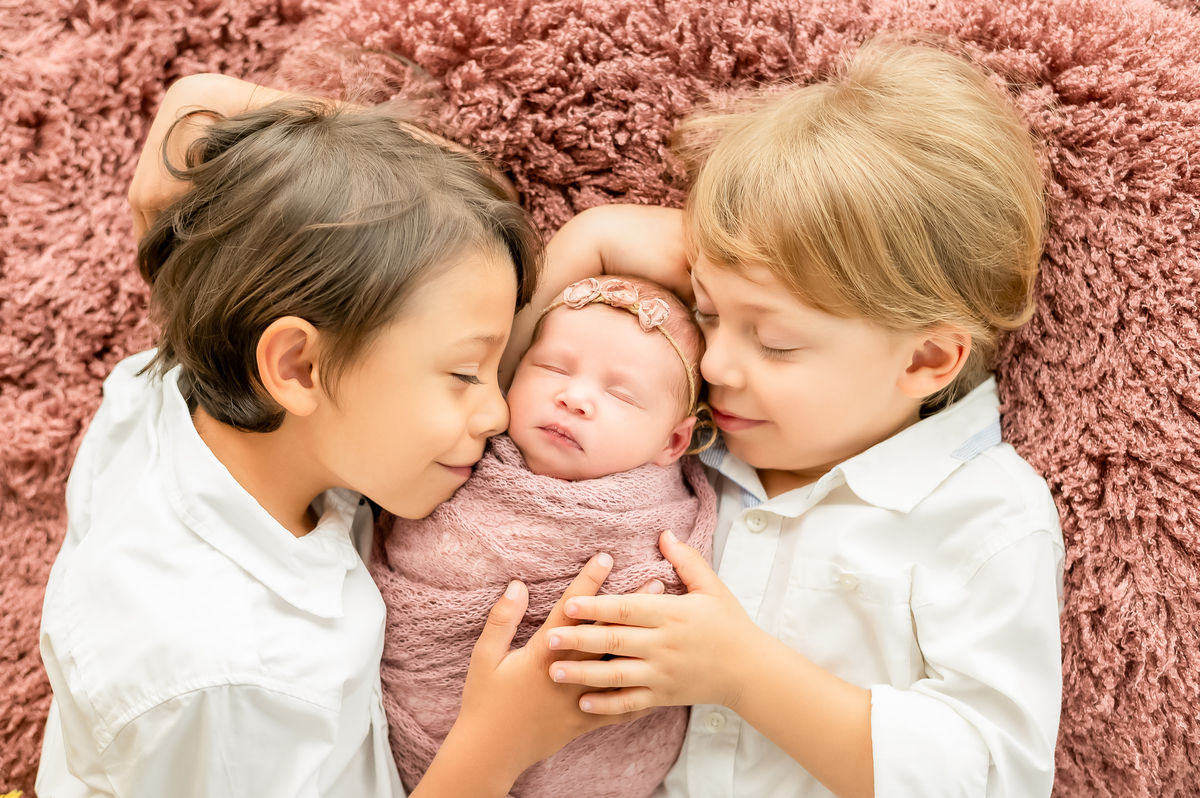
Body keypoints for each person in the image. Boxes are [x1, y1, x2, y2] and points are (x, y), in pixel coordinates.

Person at [36, 93, 647, 798]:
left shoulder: (161, 390)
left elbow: (209, 101)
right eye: (461, 373)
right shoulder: (231, 675)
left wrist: (601, 234)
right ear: (297, 367)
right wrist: (497, 744)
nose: (497, 407)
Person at [520, 42, 1066, 798]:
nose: (713, 367)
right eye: (708, 315)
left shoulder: (985, 514)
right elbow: (474, 414)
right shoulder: (680, 444)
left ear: (924, 362)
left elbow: (994, 773)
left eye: (775, 341)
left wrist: (747, 675)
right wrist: (591, 241)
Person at [374, 275, 718, 796]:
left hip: (591, 753)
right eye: (553, 367)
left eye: (622, 395)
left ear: (673, 441)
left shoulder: (666, 528)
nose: (574, 397)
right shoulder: (457, 453)